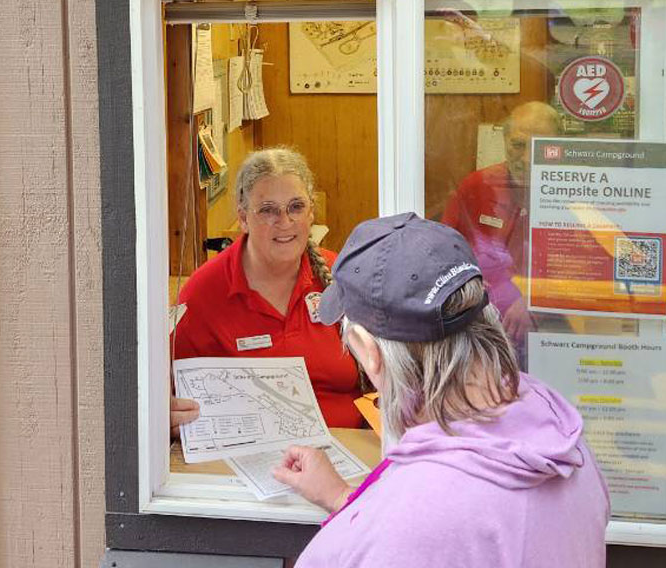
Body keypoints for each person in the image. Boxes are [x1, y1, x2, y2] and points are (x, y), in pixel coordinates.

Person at [272, 212, 609, 567]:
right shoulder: (560, 434)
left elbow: (424, 530)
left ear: (370, 352)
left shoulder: (409, 527)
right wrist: (344, 498)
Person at [172, 147, 366, 429]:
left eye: (296, 207)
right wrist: (171, 418)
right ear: (243, 218)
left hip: (349, 455)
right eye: (267, 210)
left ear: (311, 212)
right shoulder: (203, 293)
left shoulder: (343, 277)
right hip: (244, 458)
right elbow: (170, 396)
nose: (285, 222)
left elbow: (388, 381)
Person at [438, 100, 561, 362]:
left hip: (553, 331)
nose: (528, 157)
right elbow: (444, 252)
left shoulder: (576, 192)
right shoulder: (478, 186)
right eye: (519, 145)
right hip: (482, 327)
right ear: (504, 141)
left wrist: (535, 301)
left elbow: (586, 267)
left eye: (541, 146)